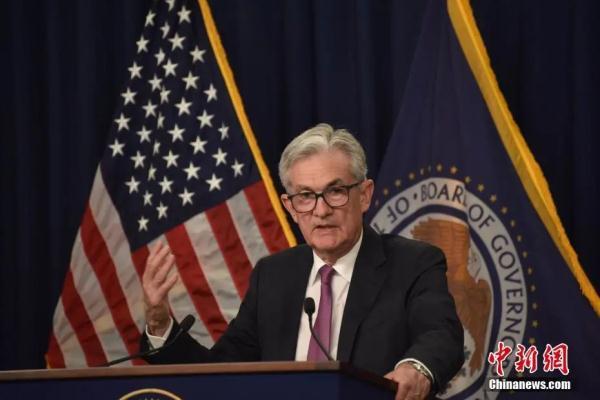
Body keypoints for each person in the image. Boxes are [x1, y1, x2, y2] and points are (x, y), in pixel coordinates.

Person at [141, 124, 464, 400]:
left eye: (335, 191)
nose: (321, 211)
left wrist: (416, 368)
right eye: (306, 196)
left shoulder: (413, 263)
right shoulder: (273, 275)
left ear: (364, 195)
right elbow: (221, 372)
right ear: (291, 207)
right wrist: (159, 325)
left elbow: (441, 334)